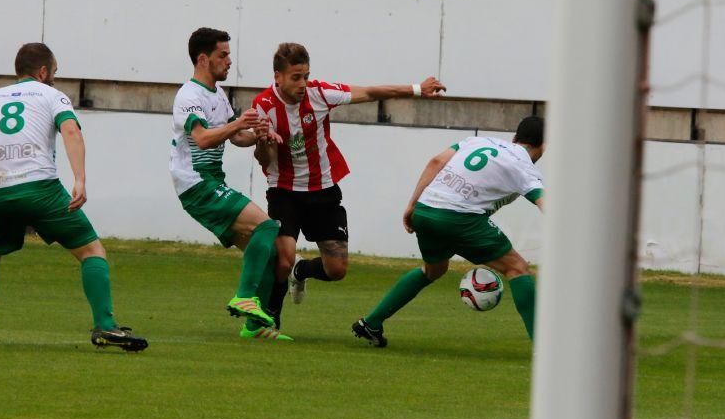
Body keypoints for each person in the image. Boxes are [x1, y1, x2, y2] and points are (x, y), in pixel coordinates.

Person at [0, 42, 148, 351]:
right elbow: (71, 132)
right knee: (91, 252)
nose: (55, 77)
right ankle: (105, 326)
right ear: (43, 72)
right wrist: (80, 180)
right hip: (40, 189)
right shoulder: (51, 95)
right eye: (55, 71)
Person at [251, 42, 446, 330]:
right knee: (282, 257)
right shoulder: (264, 106)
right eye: (295, 77)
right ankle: (270, 320)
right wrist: (265, 145)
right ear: (277, 76)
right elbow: (262, 158)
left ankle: (301, 270)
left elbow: (368, 92)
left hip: (323, 191)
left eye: (305, 75)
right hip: (284, 192)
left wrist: (417, 89)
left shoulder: (319, 94)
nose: (303, 83)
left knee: (337, 269)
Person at [352, 116, 545, 348]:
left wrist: (412, 205)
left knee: (433, 270)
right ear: (544, 145)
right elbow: (544, 202)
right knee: (517, 268)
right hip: (459, 218)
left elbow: (436, 162)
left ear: (515, 137)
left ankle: (371, 323)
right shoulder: (524, 166)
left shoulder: (479, 141)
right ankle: (544, 349)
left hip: (426, 209)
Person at [170, 28, 291, 342]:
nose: (229, 61)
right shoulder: (189, 95)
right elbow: (202, 138)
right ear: (203, 59)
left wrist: (259, 133)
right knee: (267, 227)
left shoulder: (216, 95)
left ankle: (254, 328)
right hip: (196, 182)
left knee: (266, 252)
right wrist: (240, 122)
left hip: (210, 181)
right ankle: (244, 297)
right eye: (222, 55)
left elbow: (236, 137)